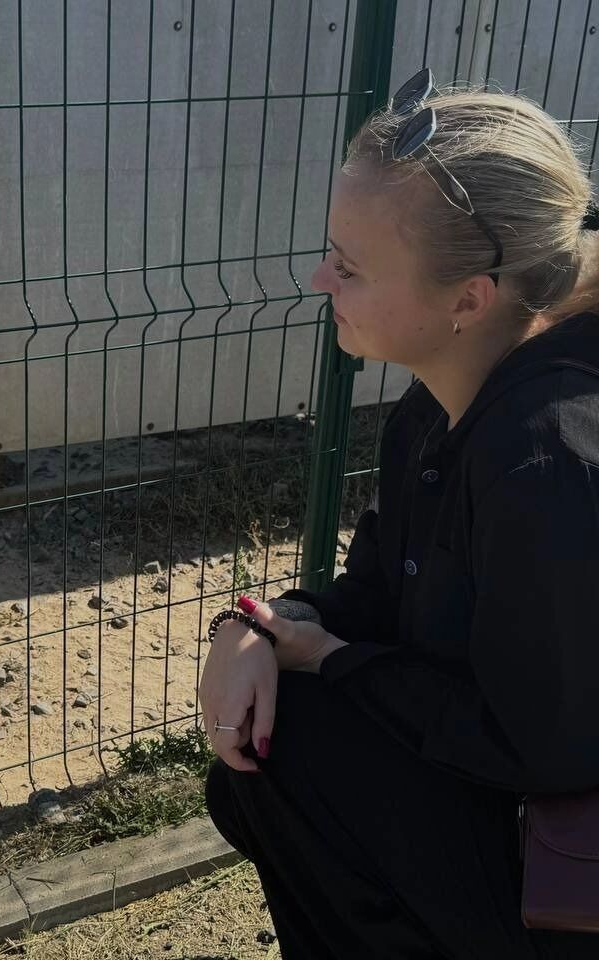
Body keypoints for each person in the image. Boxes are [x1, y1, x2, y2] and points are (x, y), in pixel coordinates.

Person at [198, 69, 599, 959]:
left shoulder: (544, 464)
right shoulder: (436, 405)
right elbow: (379, 591)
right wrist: (259, 626)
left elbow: (550, 746)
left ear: (468, 300)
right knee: (261, 759)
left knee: (296, 748)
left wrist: (336, 661)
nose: (317, 278)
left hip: (559, 869)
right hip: (490, 796)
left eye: (347, 265)